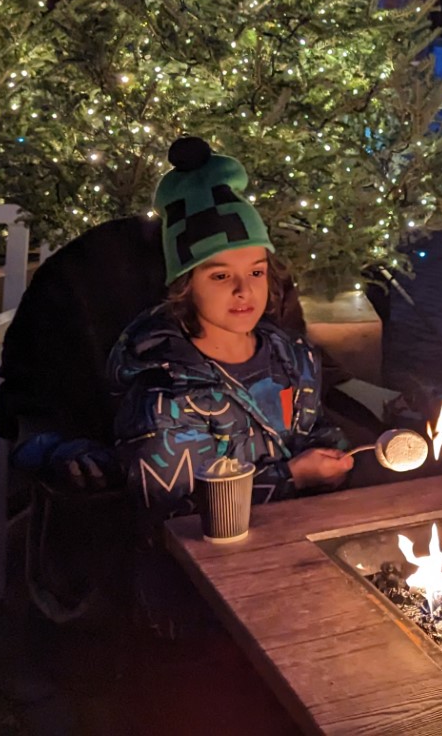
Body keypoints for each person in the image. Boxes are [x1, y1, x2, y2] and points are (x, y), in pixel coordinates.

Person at [108, 137, 352, 632]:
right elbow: (175, 517)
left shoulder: (292, 357)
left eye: (256, 271)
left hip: (307, 555)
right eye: (220, 276)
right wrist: (293, 478)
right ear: (185, 287)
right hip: (204, 594)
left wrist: (335, 457)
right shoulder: (164, 396)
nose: (245, 291)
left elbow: (314, 429)